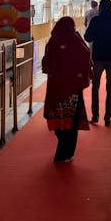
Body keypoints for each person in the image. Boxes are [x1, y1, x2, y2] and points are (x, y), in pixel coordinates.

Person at [42, 17, 92, 163]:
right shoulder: (75, 39)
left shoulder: (53, 39)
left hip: (56, 88)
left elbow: (46, 62)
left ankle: (62, 152)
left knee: (58, 119)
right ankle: (67, 153)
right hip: (72, 89)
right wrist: (79, 74)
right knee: (72, 121)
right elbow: (86, 54)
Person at [84, 0, 111, 126]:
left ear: (100, 7)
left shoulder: (96, 20)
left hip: (98, 57)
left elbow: (87, 37)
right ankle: (108, 117)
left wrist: (98, 35)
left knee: (95, 87)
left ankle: (95, 116)